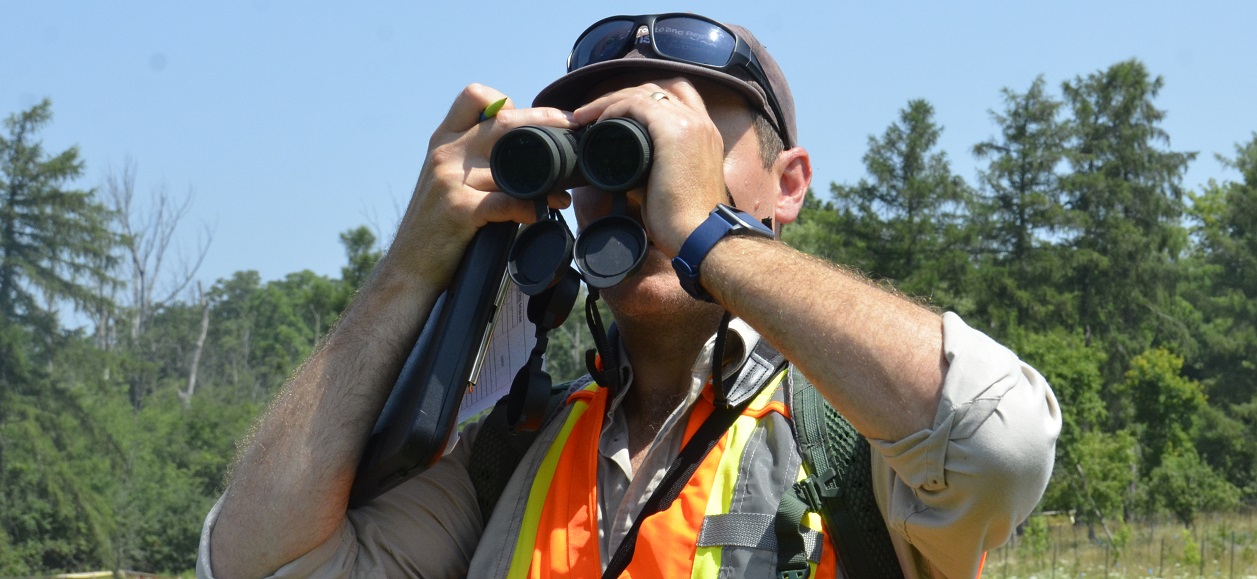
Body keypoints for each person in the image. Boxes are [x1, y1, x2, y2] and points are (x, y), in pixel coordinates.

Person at [198, 13, 1060, 579]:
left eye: (681, 136)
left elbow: (1001, 444)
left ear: (787, 183)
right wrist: (410, 265)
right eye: (608, 152)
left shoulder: (853, 431)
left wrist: (706, 234)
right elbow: (257, 562)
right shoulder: (519, 447)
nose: (637, 183)